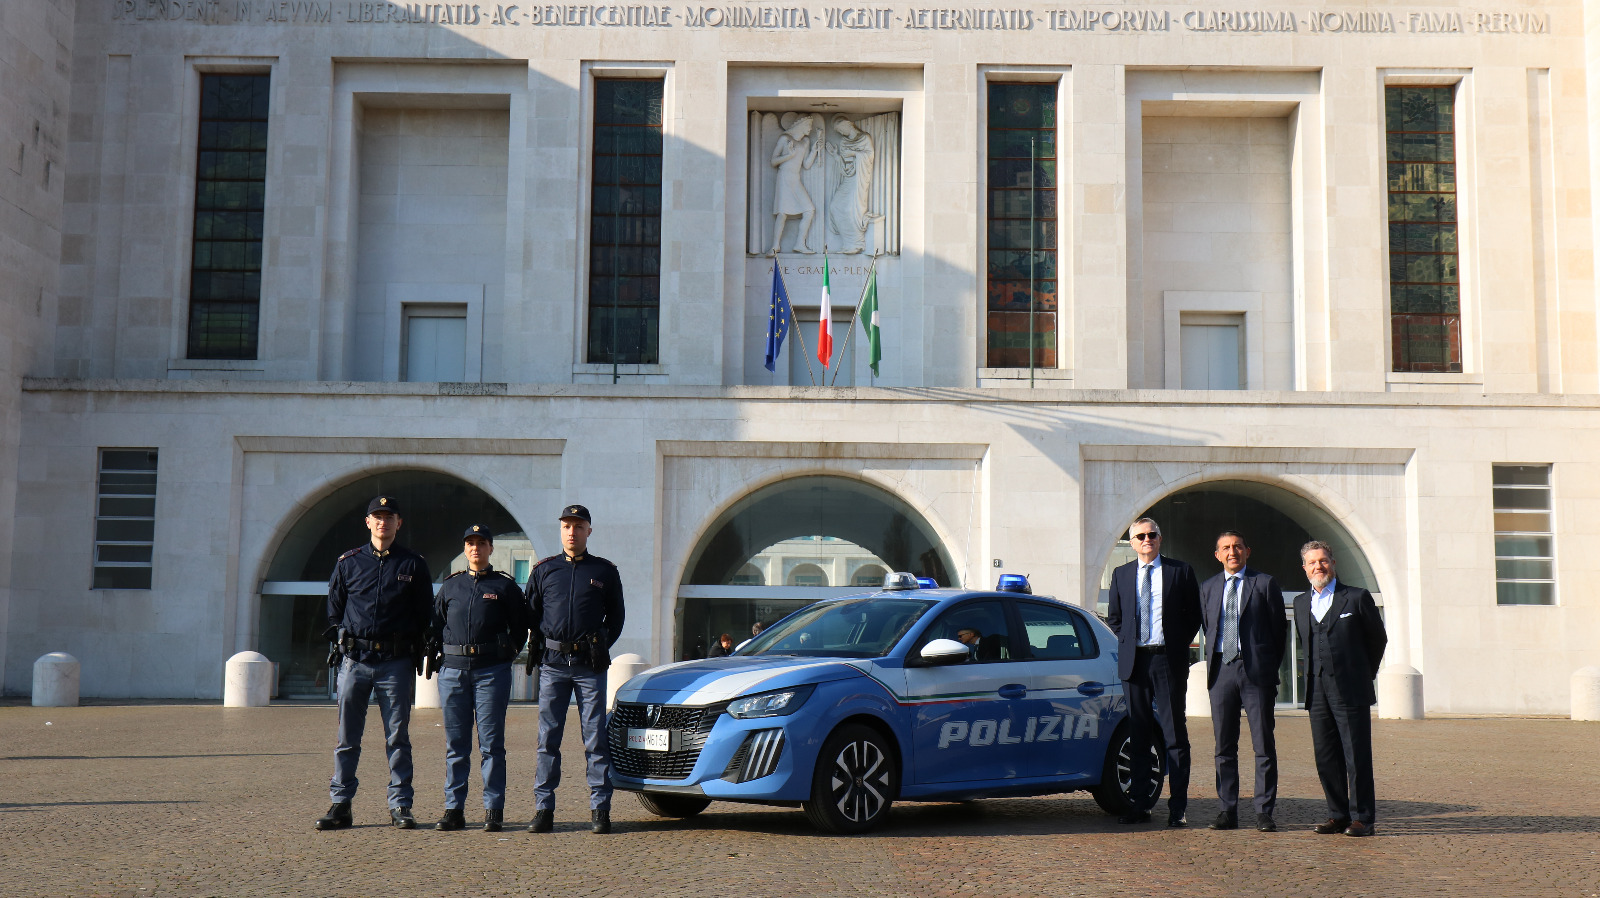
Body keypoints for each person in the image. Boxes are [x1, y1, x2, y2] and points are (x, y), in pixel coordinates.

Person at [315, 495, 434, 831]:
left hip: (395, 663)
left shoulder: (413, 564)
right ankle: (341, 804)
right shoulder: (348, 562)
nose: (383, 522)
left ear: (399, 523)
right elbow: (334, 610)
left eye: (389, 517)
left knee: (397, 737)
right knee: (347, 737)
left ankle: (400, 805)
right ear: (368, 522)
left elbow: (424, 613)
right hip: (355, 661)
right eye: (377, 517)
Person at [525, 504, 626, 835]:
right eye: (567, 526)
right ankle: (543, 810)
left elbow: (617, 617)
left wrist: (603, 643)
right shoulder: (544, 570)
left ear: (588, 531)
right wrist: (537, 647)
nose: (572, 531)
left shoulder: (605, 571)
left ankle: (600, 808)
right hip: (553, 666)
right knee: (547, 739)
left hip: (589, 667)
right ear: (561, 530)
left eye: (579, 526)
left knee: (596, 739)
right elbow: (532, 614)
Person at [427, 524, 528, 833]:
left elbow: (520, 629)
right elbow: (435, 624)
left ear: (490, 549)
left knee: (491, 744)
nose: (475, 549)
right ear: (465, 548)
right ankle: (453, 809)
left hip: (490, 672)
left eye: (481, 543)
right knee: (456, 745)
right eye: (470, 543)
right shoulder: (451, 585)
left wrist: (505, 656)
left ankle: (493, 809)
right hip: (454, 671)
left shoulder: (505, 587)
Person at [1105, 516, 1202, 827]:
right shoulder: (1121, 575)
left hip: (1167, 661)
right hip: (1134, 664)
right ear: (1132, 543)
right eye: (1140, 536)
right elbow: (1116, 619)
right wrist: (1132, 644)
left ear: (1160, 539)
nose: (1147, 540)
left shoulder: (1180, 571)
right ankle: (1140, 804)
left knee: (1175, 734)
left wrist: (1173, 645)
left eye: (1152, 534)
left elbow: (1193, 616)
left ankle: (1178, 808)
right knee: (1139, 734)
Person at [1294, 540, 1387, 837]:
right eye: (1312, 562)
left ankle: (1363, 818)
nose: (1318, 566)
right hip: (1316, 689)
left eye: (1323, 560)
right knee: (1325, 755)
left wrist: (1362, 674)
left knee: (1355, 755)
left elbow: (1377, 640)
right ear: (1305, 568)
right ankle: (1337, 814)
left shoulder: (1356, 598)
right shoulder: (1299, 603)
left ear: (1333, 563)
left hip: (1350, 689)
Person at [1200, 531, 1287, 833]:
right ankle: (1227, 810)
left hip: (1256, 675)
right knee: (1224, 747)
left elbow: (1279, 633)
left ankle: (1264, 811)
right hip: (1221, 671)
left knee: (1263, 744)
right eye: (1225, 547)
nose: (1232, 552)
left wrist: (1266, 669)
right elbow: (1208, 627)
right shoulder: (1208, 587)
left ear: (1248, 551)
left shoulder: (1264, 583)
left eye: (1237, 547)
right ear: (1217, 554)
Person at [769, 112, 822, 254]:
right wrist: (789, 156)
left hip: (795, 179)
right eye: (808, 126)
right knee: (782, 213)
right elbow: (773, 161)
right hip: (784, 177)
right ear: (801, 125)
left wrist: (814, 152)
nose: (810, 129)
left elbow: (806, 165)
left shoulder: (805, 142)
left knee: (809, 210)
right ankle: (775, 246)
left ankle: (800, 243)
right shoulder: (785, 139)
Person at [825, 115, 876, 253]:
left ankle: (857, 243)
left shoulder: (865, 138)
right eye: (838, 131)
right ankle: (849, 243)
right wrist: (836, 156)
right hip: (848, 179)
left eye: (841, 129)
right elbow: (845, 169)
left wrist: (854, 153)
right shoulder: (843, 142)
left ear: (848, 124)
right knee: (835, 206)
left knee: (850, 209)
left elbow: (869, 156)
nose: (841, 133)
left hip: (859, 179)